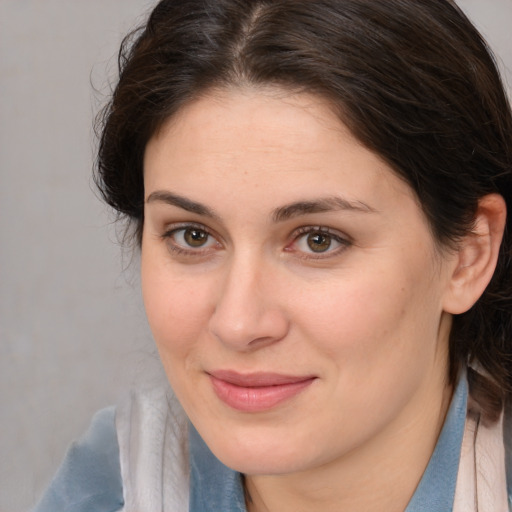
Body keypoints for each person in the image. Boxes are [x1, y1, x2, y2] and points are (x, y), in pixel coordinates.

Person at [33, 0, 512, 510]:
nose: (239, 324)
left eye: (318, 240)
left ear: (468, 255)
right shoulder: (101, 489)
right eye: (193, 236)